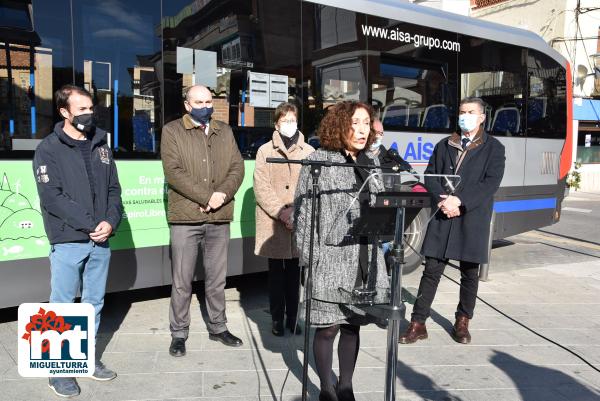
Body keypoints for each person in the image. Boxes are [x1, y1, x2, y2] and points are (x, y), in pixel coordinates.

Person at [294, 101, 389, 401]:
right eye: (355, 123)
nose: (362, 130)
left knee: (353, 326)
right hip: (330, 259)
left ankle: (345, 386)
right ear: (339, 125)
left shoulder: (370, 162)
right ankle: (326, 388)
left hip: (364, 258)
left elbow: (380, 202)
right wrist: (310, 258)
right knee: (327, 328)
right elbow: (304, 215)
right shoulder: (319, 161)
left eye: (366, 123)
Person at [33, 84, 122, 397]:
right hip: (70, 238)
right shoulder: (48, 148)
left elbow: (114, 190)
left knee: (94, 304)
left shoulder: (101, 144)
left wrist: (110, 222)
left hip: (101, 238)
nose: (88, 113)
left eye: (90, 107)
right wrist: (90, 225)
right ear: (64, 112)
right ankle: (58, 371)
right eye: (80, 109)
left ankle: (85, 359)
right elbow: (52, 198)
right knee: (62, 306)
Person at [399, 97, 506, 345]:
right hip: (443, 215)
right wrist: (442, 200)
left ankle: (462, 321)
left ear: (482, 117)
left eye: (470, 112)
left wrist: (459, 201)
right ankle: (418, 322)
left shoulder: (494, 148)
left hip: (471, 216)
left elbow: (490, 183)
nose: (465, 116)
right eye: (462, 111)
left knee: (469, 272)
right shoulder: (444, 144)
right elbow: (430, 175)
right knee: (432, 270)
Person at [161, 85, 245, 357]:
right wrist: (208, 196)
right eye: (198, 102)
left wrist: (221, 195)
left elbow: (237, 167)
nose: (205, 106)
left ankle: (218, 327)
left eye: (209, 101)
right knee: (182, 280)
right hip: (186, 216)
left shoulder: (225, 131)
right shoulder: (172, 131)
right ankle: (179, 333)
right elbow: (173, 172)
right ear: (187, 105)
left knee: (217, 279)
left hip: (219, 217)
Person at [253, 102, 314, 337]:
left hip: (298, 220)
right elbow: (261, 186)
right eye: (285, 120)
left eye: (293, 119)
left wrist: (296, 213)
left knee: (294, 275)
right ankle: (277, 319)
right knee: (276, 276)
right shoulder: (264, 151)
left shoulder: (309, 151)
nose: (290, 124)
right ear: (277, 124)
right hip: (274, 223)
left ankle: (293, 318)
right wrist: (281, 212)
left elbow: (311, 187)